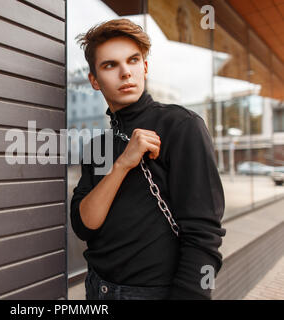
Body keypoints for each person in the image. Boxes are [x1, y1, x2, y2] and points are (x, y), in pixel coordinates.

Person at [70, 18, 226, 300]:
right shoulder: (100, 146)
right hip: (97, 288)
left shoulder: (181, 126)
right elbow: (85, 225)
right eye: (110, 65)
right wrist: (122, 164)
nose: (125, 73)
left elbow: (203, 233)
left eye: (133, 61)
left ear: (144, 67)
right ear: (94, 80)